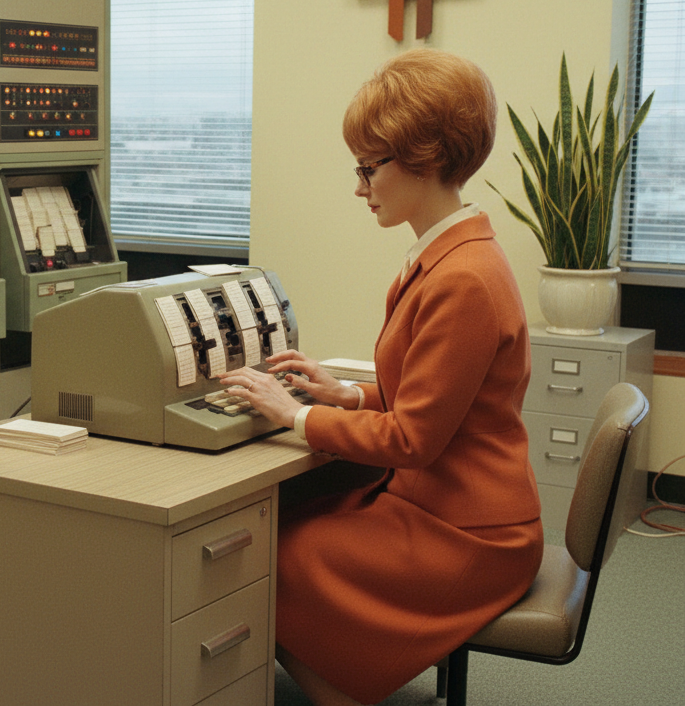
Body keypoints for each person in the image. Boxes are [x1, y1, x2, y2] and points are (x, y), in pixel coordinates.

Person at [218, 49, 543, 706]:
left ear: (422, 158)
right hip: (443, 502)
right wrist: (344, 395)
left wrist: (292, 414)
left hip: (471, 533)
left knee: (277, 556)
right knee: (299, 522)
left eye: (368, 168)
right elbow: (436, 399)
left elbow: (413, 440)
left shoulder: (463, 279)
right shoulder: (449, 255)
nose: (359, 187)